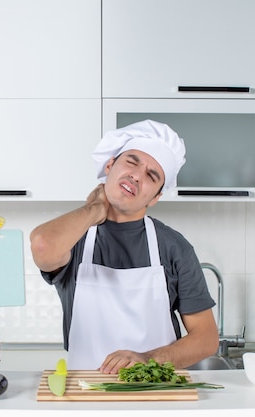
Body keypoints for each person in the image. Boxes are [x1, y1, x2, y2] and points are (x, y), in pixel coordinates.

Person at [30, 119, 219, 374]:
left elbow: (206, 339)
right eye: (132, 161)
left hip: (155, 392)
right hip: (86, 393)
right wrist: (95, 209)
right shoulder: (75, 236)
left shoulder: (174, 247)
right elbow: (42, 245)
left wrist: (147, 358)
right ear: (110, 165)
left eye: (152, 176)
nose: (137, 176)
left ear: (156, 198)